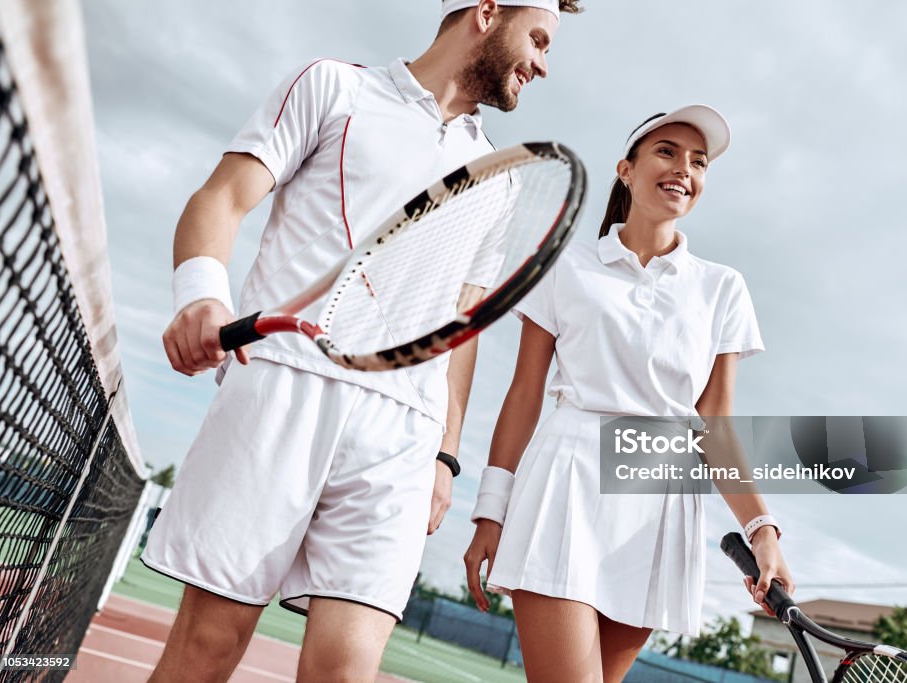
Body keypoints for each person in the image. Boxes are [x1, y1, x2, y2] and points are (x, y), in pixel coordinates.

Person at [143, 2, 582, 681]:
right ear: (488, 13)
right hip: (282, 388)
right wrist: (201, 294)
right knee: (208, 645)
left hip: (403, 432)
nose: (545, 64)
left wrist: (444, 452)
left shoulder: (497, 178)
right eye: (540, 39)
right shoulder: (332, 88)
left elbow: (460, 331)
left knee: (346, 670)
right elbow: (223, 197)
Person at [463, 106, 795, 682]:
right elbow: (524, 394)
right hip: (565, 484)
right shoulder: (565, 265)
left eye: (699, 161)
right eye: (666, 151)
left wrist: (762, 530)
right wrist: (490, 510)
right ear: (626, 169)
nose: (683, 169)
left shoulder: (723, 288)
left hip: (661, 501)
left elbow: (715, 425)